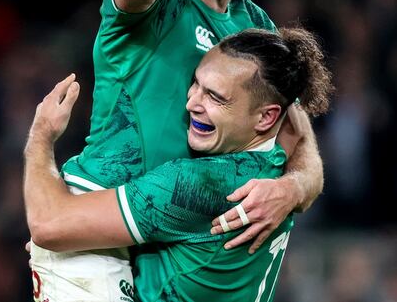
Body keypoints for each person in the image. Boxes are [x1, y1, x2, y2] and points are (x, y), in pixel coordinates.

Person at [27, 0, 324, 300]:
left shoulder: (254, 28)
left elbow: (300, 144)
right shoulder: (155, 1)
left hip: (171, 239)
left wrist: (292, 186)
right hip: (94, 238)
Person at [25, 28, 333, 302]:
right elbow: (299, 127)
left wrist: (41, 137)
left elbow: (47, 225)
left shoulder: (198, 184)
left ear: (266, 117)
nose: (192, 103)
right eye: (196, 83)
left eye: (216, 97)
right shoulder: (279, 157)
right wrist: (297, 185)